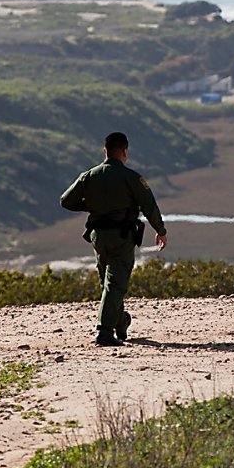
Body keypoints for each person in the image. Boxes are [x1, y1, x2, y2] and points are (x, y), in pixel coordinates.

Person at [60, 131, 167, 347]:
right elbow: (149, 206)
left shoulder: (89, 176)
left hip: (98, 236)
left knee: (108, 283)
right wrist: (161, 230)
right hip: (122, 236)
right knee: (115, 284)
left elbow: (66, 201)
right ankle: (104, 332)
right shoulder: (131, 178)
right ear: (125, 152)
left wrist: (91, 205)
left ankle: (120, 323)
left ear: (105, 151)